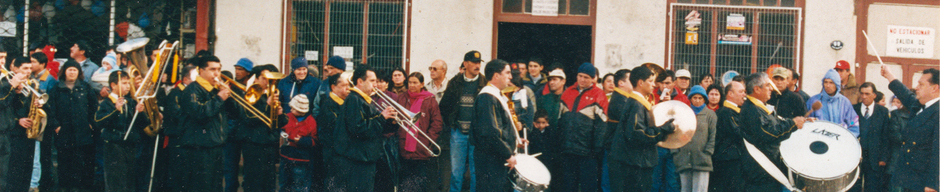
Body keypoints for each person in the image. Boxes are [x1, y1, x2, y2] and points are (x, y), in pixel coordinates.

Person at [608, 66, 676, 192]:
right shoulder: (636, 105)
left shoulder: (637, 102)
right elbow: (638, 134)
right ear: (640, 83)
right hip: (636, 164)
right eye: (650, 81)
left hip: (635, 162)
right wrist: (663, 129)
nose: (654, 85)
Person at [173, 52, 233, 191]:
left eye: (218, 69)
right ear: (201, 71)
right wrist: (219, 98)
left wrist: (229, 97)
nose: (217, 74)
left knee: (215, 187)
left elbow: (236, 114)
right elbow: (199, 114)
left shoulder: (215, 90)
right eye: (212, 70)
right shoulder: (192, 90)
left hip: (216, 146)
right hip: (199, 149)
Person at [333, 65, 398, 191]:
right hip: (358, 160)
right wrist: (381, 118)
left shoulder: (364, 100)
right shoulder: (354, 99)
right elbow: (358, 129)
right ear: (360, 82)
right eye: (372, 81)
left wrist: (392, 122)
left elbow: (375, 128)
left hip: (365, 157)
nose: (376, 84)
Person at [739, 73, 808, 191]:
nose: (771, 88)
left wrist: (801, 121)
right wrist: (793, 123)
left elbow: (776, 123)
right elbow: (769, 133)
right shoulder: (752, 110)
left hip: (766, 171)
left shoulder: (758, 108)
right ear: (757, 89)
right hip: (761, 171)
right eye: (767, 85)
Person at [880, 66, 939, 192]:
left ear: (934, 88)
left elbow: (938, 153)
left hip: (925, 183)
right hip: (911, 178)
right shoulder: (922, 105)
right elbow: (906, 95)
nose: (916, 87)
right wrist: (890, 76)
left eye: (921, 85)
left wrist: (933, 184)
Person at [45, 60, 98, 192]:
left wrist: (91, 124)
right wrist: (56, 126)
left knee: (80, 161)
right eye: (70, 70)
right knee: (64, 161)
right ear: (65, 71)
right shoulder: (57, 89)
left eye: (75, 70)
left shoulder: (85, 87)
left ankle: (78, 187)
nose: (72, 72)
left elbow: (94, 107)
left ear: (79, 72)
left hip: (83, 132)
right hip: (64, 132)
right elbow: (50, 109)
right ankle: (64, 187)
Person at [556, 63, 608, 192]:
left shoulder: (599, 95)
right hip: (568, 150)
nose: (582, 80)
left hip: (588, 152)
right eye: (580, 76)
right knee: (568, 186)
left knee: (588, 187)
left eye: (586, 77)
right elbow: (560, 121)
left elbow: (602, 126)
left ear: (592, 78)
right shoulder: (567, 92)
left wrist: (596, 149)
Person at [439, 50, 486, 192]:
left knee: (474, 173)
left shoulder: (485, 83)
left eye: (479, 62)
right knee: (456, 173)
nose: (477, 65)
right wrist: (452, 124)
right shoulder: (455, 82)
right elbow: (444, 107)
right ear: (465, 64)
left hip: (476, 135)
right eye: (474, 62)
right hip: (458, 134)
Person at [96, 70, 151, 192]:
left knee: (129, 179)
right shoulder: (107, 103)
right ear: (113, 85)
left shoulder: (130, 102)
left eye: (128, 83)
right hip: (114, 146)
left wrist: (140, 113)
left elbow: (143, 124)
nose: (127, 86)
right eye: (124, 83)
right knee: (115, 180)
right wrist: (115, 110)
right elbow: (99, 122)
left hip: (129, 145)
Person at [471, 59, 520, 191]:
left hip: (495, 158)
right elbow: (491, 132)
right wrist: (508, 155)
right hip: (491, 160)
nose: (510, 77)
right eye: (507, 73)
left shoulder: (494, 96)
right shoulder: (487, 97)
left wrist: (515, 140)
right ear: (496, 75)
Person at [238, 65, 286, 192]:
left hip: (269, 142)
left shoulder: (270, 94)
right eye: (264, 78)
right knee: (254, 180)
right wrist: (267, 105)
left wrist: (280, 114)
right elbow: (249, 118)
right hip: (254, 143)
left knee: (269, 181)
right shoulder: (250, 94)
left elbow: (278, 123)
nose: (268, 82)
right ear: (256, 79)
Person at [394, 72, 443, 192]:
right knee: (404, 183)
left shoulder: (430, 100)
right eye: (410, 82)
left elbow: (437, 123)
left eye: (415, 82)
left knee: (419, 184)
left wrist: (427, 141)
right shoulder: (402, 97)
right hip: (404, 148)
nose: (412, 85)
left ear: (422, 84)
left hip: (421, 148)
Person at [1, 57, 39, 192]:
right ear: (15, 69)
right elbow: (5, 107)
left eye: (30, 68)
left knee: (26, 170)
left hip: (29, 133)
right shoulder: (6, 83)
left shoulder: (32, 84)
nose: (28, 71)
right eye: (25, 68)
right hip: (13, 133)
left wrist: (38, 106)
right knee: (12, 173)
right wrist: (18, 120)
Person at [847, 82, 891, 192]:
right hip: (855, 158)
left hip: (874, 159)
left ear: (874, 95)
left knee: (873, 188)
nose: (864, 97)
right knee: (853, 187)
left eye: (867, 94)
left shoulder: (883, 112)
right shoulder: (853, 109)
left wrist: (883, 158)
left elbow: (886, 136)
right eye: (862, 94)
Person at [674, 85, 716, 192]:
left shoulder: (710, 114)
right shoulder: (684, 113)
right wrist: (676, 152)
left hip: (702, 159)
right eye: (694, 97)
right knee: (685, 189)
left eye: (700, 98)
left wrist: (707, 152)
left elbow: (713, 135)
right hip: (684, 158)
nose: (697, 100)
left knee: (700, 189)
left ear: (704, 99)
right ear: (690, 98)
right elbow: (676, 133)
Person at [708, 80, 747, 192]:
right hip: (727, 162)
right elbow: (739, 133)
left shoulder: (733, 111)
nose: (744, 95)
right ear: (730, 94)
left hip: (730, 160)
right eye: (741, 91)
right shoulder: (726, 112)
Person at [27, 52, 56, 192]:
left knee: (44, 155)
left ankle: (43, 184)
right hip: (33, 121)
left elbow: (53, 102)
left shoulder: (49, 80)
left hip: (44, 123)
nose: (31, 64)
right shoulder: (31, 77)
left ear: (42, 64)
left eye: (33, 62)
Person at [316, 73, 350, 191]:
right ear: (333, 87)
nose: (348, 89)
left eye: (349, 85)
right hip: (334, 152)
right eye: (344, 85)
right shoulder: (328, 105)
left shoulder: (344, 103)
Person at [279, 94, 318, 192]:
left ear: (301, 111)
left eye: (294, 109)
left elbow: (314, 140)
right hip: (285, 157)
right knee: (284, 184)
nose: (291, 110)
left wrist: (302, 141)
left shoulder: (311, 122)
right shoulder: (287, 117)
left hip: (301, 160)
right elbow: (281, 128)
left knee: (299, 186)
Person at [807, 69, 860, 137]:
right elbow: (806, 123)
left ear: (837, 84)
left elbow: (853, 123)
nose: (828, 85)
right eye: (826, 82)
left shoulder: (845, 102)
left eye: (831, 83)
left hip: (839, 142)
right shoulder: (813, 100)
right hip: (819, 141)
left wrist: (846, 138)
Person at [602, 69, 631, 191]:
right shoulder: (620, 100)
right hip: (616, 148)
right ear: (621, 83)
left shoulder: (624, 98)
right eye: (631, 79)